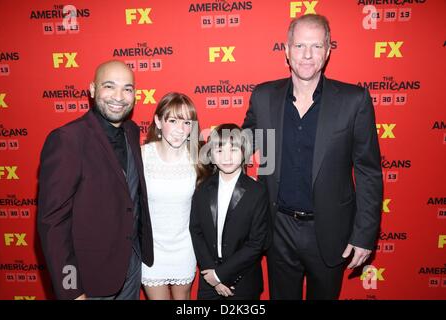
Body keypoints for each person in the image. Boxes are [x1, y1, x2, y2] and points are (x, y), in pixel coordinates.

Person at [242, 14, 383, 299]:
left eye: (317, 47)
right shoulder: (264, 96)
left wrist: (365, 235)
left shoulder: (354, 101)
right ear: (287, 50)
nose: (307, 55)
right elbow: (241, 145)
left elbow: (368, 171)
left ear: (328, 50)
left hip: (330, 230)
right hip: (277, 229)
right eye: (300, 46)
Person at [37, 60, 153, 300]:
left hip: (131, 267)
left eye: (127, 89)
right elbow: (53, 224)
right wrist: (71, 289)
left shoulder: (131, 131)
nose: (118, 97)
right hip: (90, 280)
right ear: (92, 89)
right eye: (109, 86)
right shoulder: (68, 140)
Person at [190, 123, 270, 300]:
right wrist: (213, 277)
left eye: (233, 149)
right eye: (219, 150)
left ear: (244, 152)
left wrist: (220, 275)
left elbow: (256, 243)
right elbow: (196, 232)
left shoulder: (257, 192)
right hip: (208, 282)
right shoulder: (202, 190)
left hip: (244, 283)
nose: (226, 157)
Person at [141, 92, 208, 300]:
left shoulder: (199, 157)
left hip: (184, 248)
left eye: (187, 122)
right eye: (173, 121)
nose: (181, 130)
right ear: (158, 121)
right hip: (151, 250)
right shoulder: (141, 155)